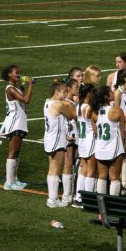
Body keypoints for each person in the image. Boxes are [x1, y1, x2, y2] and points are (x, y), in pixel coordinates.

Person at [43, 80, 76, 208]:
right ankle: (53, 199)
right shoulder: (58, 105)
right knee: (55, 170)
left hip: (50, 138)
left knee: (52, 169)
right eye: (63, 92)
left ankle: (52, 198)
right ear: (56, 92)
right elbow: (71, 116)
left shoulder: (47, 102)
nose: (65, 94)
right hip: (57, 141)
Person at [0, 64, 34, 191]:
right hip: (15, 123)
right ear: (10, 74)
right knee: (13, 151)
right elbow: (26, 100)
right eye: (16, 72)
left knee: (17, 152)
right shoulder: (10, 89)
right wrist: (31, 85)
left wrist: (24, 88)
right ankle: (9, 182)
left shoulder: (15, 89)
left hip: (19, 122)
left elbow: (21, 101)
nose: (19, 75)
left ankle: (14, 178)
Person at [91, 86, 126, 196]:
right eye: (111, 92)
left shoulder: (94, 112)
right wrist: (123, 147)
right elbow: (123, 132)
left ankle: (101, 206)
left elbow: (95, 130)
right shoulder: (117, 111)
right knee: (115, 178)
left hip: (100, 148)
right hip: (114, 149)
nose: (113, 93)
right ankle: (112, 204)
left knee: (102, 177)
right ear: (106, 96)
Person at [73, 83, 97, 207]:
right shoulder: (88, 108)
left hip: (82, 141)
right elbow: (97, 122)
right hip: (90, 140)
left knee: (83, 169)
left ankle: (78, 198)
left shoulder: (79, 106)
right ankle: (88, 199)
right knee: (91, 171)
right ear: (89, 93)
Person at [61, 78, 80, 204]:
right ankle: (66, 195)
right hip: (70, 134)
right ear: (69, 89)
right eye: (76, 87)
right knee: (68, 164)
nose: (78, 89)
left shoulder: (70, 102)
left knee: (72, 163)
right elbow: (77, 117)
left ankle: (69, 193)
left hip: (73, 133)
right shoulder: (67, 103)